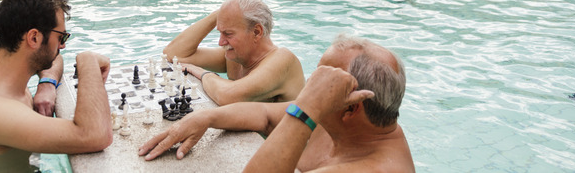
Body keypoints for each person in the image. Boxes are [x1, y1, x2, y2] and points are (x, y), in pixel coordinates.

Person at [140, 35, 414, 173]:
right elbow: (262, 114)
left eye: (322, 83)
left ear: (352, 107)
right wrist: (206, 118)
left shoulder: (377, 168)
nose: (310, 87)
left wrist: (307, 109)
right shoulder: (337, 120)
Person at [0, 0, 112, 172]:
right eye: (61, 37)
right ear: (34, 38)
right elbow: (96, 135)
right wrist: (88, 61)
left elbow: (53, 58)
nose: (62, 46)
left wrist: (46, 83)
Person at [162, 0, 305, 105]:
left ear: (256, 32)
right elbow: (174, 55)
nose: (221, 42)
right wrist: (220, 13)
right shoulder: (236, 57)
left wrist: (202, 73)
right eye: (220, 32)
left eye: (228, 34)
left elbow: (228, 96)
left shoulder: (282, 60)